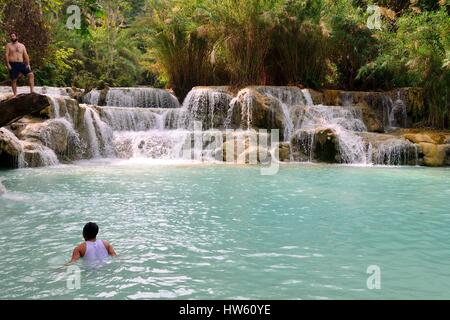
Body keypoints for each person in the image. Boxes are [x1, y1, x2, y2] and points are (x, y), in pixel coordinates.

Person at [4, 32, 35, 98]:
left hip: (21, 64)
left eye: (13, 36)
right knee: (14, 80)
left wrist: (28, 64)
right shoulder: (8, 45)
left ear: (17, 37)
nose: (12, 37)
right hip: (13, 64)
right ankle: (15, 94)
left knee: (31, 74)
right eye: (11, 36)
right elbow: (6, 55)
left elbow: (26, 55)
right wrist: (8, 64)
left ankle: (32, 92)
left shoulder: (22, 45)